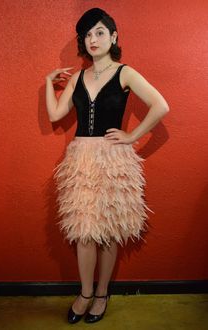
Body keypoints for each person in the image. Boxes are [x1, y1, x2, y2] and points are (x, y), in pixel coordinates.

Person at [45, 7, 169, 324]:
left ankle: (101, 294)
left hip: (114, 160)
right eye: (87, 34)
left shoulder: (125, 73)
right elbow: (57, 115)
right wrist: (49, 83)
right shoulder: (77, 78)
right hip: (81, 159)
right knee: (85, 231)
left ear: (113, 37)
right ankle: (85, 293)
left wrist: (132, 136)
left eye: (99, 32)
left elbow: (161, 105)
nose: (93, 38)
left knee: (109, 232)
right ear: (83, 42)